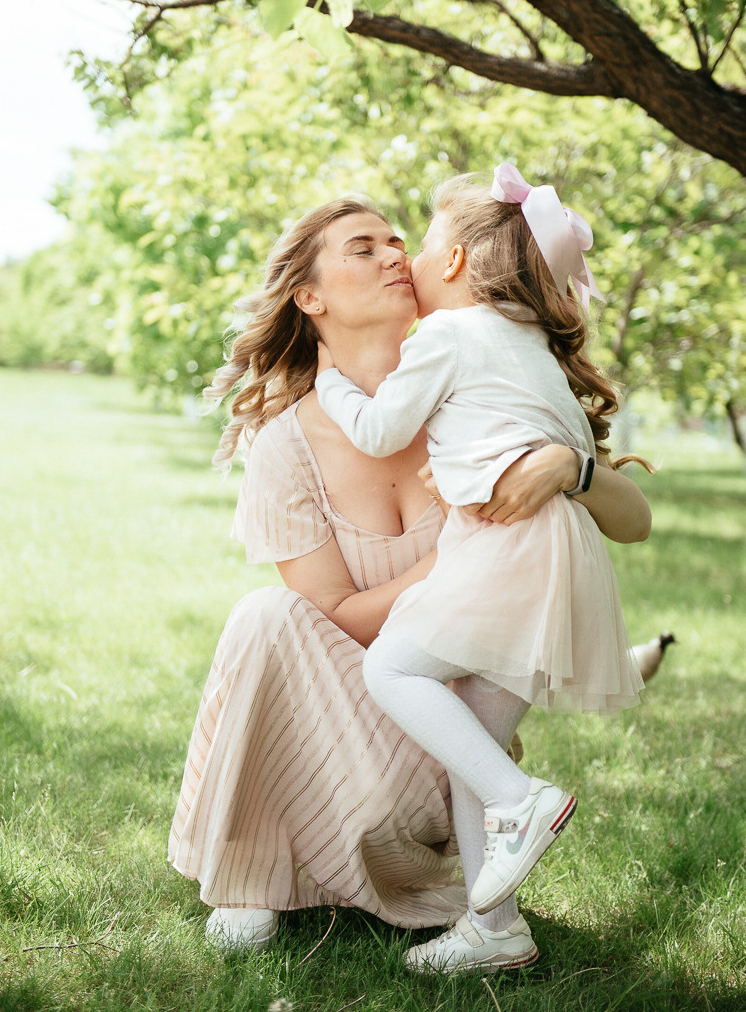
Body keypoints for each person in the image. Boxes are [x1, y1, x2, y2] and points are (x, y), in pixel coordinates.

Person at [168, 191, 651, 973]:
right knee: (267, 615)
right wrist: (459, 556)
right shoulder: (286, 444)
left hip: (440, 737)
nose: (395, 254)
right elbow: (333, 616)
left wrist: (573, 466)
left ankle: (491, 901)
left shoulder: (474, 387)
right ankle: (253, 874)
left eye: (399, 241)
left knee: (460, 725)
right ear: (311, 296)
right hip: (352, 711)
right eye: (364, 247)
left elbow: (633, 523)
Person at [314, 165, 649, 953]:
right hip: (562, 560)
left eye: (422, 246)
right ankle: (491, 928)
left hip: (504, 550)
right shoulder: (528, 344)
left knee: (392, 669)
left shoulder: (447, 334)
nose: (409, 261)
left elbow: (377, 431)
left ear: (457, 263)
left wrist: (332, 385)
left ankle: (521, 800)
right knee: (473, 740)